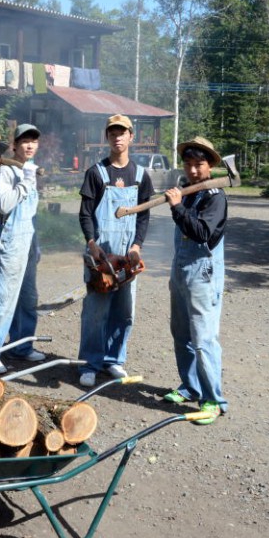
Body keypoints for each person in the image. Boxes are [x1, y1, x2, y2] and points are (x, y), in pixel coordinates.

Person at [78, 114, 154, 387]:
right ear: (107, 137)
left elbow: (144, 216)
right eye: (113, 133)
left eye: (122, 132)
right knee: (96, 311)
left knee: (125, 310)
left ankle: (114, 360)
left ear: (131, 137)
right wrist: (92, 243)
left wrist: (136, 246)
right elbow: (86, 213)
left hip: (127, 255)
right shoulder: (96, 173)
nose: (117, 137)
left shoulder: (141, 176)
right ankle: (90, 363)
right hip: (101, 253)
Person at [163, 136, 228, 425]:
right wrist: (180, 201)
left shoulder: (215, 196)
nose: (192, 171)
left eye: (199, 165)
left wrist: (177, 208)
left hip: (203, 274)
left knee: (203, 339)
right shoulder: (188, 190)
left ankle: (213, 400)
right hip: (180, 269)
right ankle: (191, 386)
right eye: (188, 164)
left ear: (211, 165)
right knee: (181, 333)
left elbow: (201, 232)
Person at [0, 123, 45, 374]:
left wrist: (35, 245)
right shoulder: (6, 170)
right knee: (1, 298)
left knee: (28, 298)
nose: (29, 145)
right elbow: (4, 206)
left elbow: (31, 215)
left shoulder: (29, 170)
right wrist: (25, 180)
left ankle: (20, 347)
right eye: (24, 141)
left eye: (34, 141)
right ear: (14, 145)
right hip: (9, 244)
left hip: (27, 242)